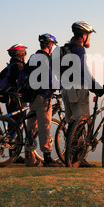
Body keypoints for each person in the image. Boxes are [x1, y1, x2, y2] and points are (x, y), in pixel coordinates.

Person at [60, 21, 104, 168]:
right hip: (77, 89)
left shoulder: (66, 48)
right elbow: (82, 70)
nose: (90, 38)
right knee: (81, 121)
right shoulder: (79, 49)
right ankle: (78, 158)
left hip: (65, 90)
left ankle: (70, 156)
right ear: (84, 35)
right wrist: (95, 86)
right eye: (89, 35)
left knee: (72, 123)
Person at [24, 33, 61, 167]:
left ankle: (30, 158)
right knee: (44, 126)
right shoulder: (46, 59)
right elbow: (51, 80)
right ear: (50, 45)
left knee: (31, 128)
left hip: (31, 97)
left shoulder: (33, 58)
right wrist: (61, 85)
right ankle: (47, 158)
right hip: (43, 97)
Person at [0, 44, 28, 164]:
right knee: (18, 124)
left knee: (13, 124)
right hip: (16, 98)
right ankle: (15, 155)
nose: (25, 55)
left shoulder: (10, 66)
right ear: (21, 55)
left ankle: (13, 154)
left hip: (8, 98)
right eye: (24, 53)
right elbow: (22, 83)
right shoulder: (18, 67)